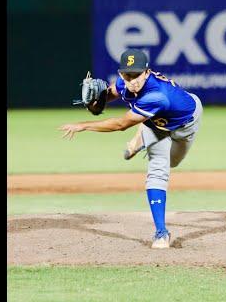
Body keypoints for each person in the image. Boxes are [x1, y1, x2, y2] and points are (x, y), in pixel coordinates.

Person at [59, 48, 203, 249]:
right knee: (158, 171)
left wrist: (83, 125)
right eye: (128, 75)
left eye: (137, 75)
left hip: (185, 123)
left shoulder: (157, 95)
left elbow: (120, 125)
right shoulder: (123, 83)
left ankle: (140, 137)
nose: (133, 80)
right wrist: (95, 103)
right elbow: (107, 96)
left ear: (147, 72)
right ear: (121, 74)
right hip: (157, 124)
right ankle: (161, 233)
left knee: (174, 161)